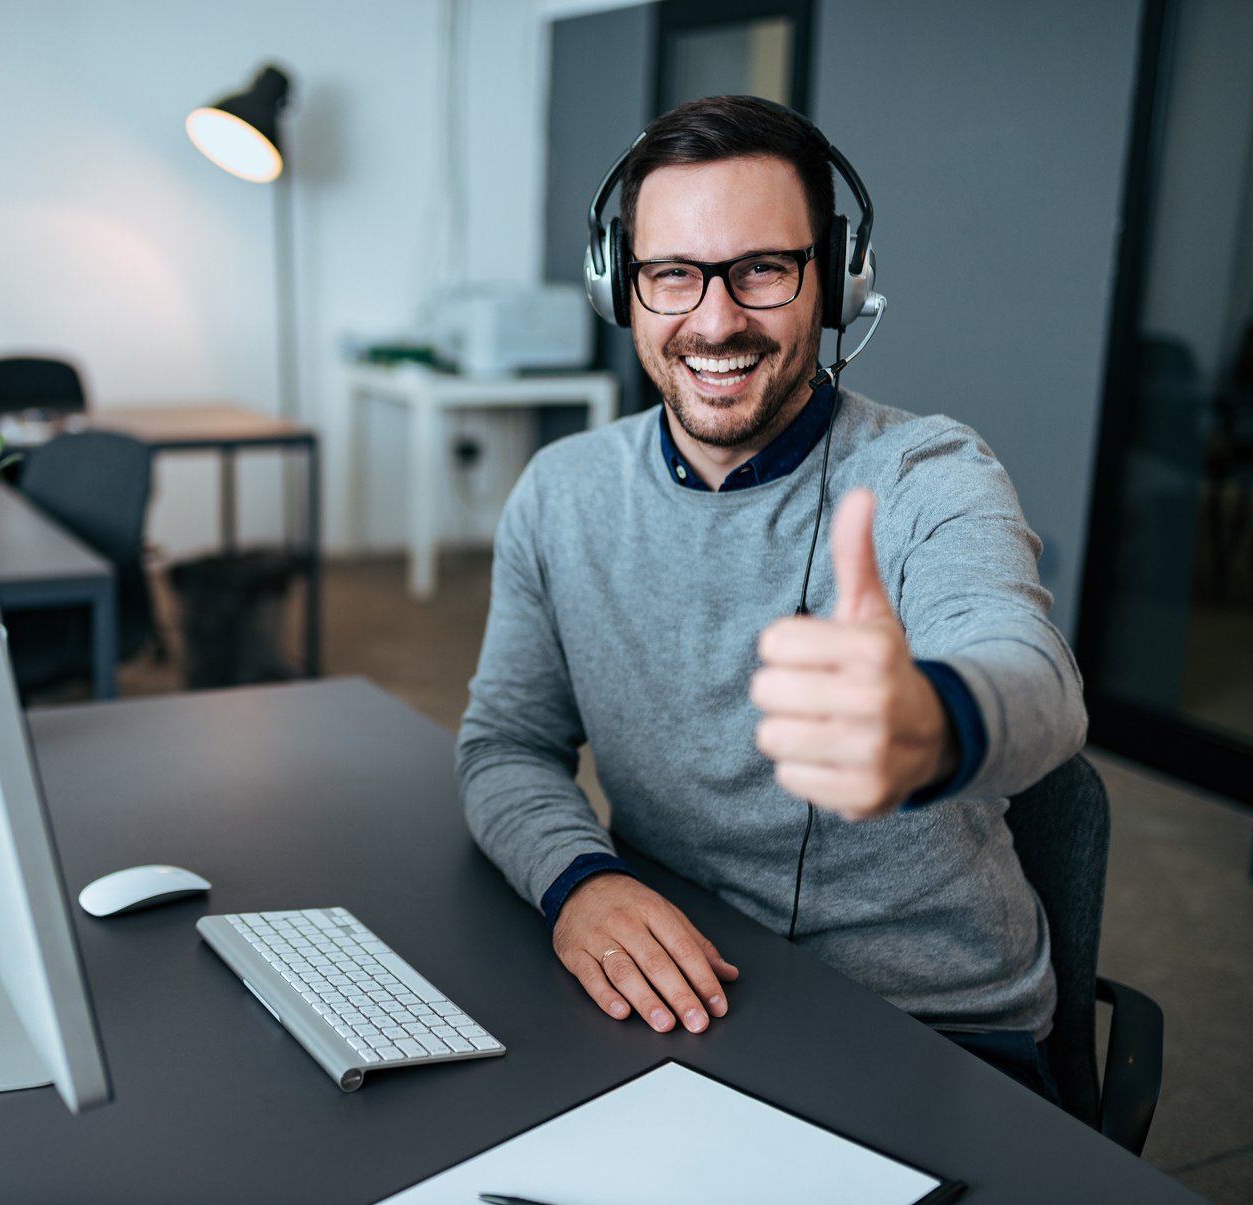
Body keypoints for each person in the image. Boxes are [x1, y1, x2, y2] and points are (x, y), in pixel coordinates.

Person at [456, 95, 1085, 1099]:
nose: (714, 320)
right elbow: (504, 743)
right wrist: (579, 879)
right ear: (618, 289)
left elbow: (1038, 682)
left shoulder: (930, 471)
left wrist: (930, 717)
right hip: (680, 998)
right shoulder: (562, 492)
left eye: (760, 269)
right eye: (671, 274)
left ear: (834, 281)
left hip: (931, 1031)